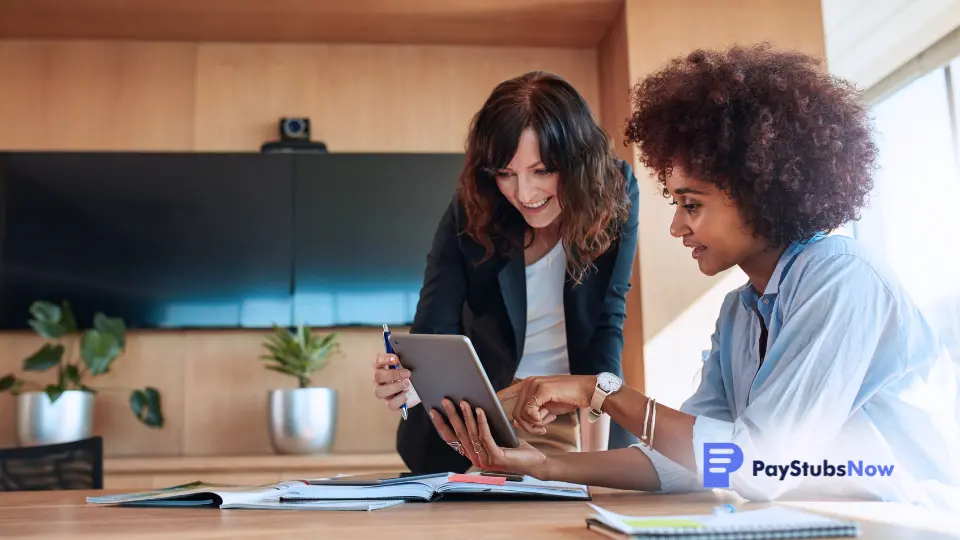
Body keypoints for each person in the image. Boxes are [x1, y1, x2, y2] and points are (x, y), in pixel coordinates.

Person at [428, 44, 960, 511]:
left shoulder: (841, 279)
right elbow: (695, 463)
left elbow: (758, 466)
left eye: (692, 204)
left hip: (901, 519)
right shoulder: (740, 314)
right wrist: (540, 467)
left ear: (759, 192)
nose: (677, 224)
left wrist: (602, 391)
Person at [371, 71, 640, 474]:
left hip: (578, 413)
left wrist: (596, 463)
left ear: (579, 161)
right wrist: (410, 381)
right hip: (481, 421)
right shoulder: (473, 206)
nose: (524, 194)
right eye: (506, 173)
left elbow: (607, 323)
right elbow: (434, 326)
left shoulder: (614, 192)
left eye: (543, 170)